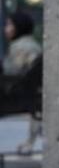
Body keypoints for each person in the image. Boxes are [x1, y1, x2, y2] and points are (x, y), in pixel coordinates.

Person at [2, 10, 42, 154]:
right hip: (28, 93)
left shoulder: (20, 47)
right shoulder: (32, 44)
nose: (6, 29)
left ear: (18, 27)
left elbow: (13, 73)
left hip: (14, 96)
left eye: (9, 25)